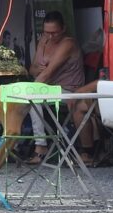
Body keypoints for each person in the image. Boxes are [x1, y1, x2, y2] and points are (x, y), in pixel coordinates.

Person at [26, 11, 87, 162]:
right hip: (49, 88)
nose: (50, 36)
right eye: (47, 32)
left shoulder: (68, 43)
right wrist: (38, 72)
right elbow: (32, 69)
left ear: (63, 29)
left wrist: (31, 88)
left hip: (69, 90)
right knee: (26, 98)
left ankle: (40, 146)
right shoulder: (44, 41)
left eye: (54, 33)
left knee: (33, 98)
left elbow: (48, 72)